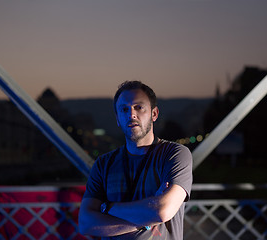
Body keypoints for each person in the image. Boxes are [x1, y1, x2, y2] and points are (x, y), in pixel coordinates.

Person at [79, 80, 193, 239]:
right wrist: (147, 219)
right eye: (124, 109)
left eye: (139, 107)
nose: (131, 114)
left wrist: (107, 207)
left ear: (154, 114)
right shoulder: (104, 164)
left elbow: (162, 210)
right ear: (118, 119)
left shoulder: (174, 154)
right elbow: (85, 223)